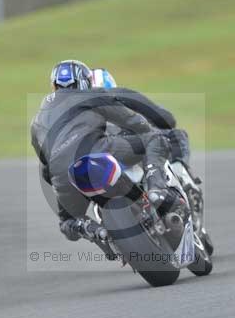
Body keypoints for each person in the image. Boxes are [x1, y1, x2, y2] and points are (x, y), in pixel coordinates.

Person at [30, 60, 174, 241]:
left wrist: (59, 179)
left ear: (54, 84)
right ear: (84, 81)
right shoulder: (92, 95)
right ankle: (156, 188)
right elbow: (132, 121)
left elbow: (45, 164)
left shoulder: (37, 120)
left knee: (67, 221)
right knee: (155, 139)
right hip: (95, 151)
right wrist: (147, 131)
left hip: (61, 172)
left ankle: (91, 229)